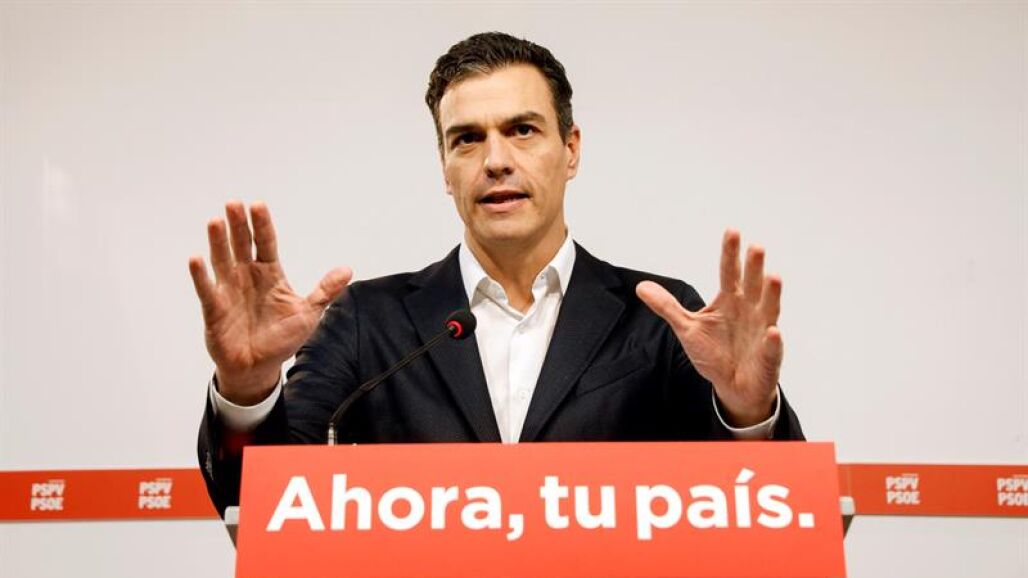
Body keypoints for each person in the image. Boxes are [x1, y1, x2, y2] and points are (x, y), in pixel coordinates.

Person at [190, 32, 804, 515]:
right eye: (467, 139)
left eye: (522, 130)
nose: (496, 161)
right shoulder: (365, 322)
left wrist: (747, 414)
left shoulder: (657, 314)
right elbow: (261, 506)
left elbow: (757, 508)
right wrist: (247, 389)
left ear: (571, 149)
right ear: (444, 167)